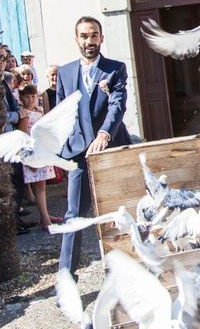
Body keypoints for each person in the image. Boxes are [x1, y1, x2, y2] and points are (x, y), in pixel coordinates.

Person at [58, 16, 131, 276]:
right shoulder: (65, 73)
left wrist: (103, 135)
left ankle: (124, 270)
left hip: (110, 149)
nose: (89, 41)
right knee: (73, 215)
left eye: (94, 35)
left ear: (101, 37)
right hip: (78, 154)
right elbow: (62, 114)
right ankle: (66, 277)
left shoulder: (115, 68)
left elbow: (117, 105)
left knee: (117, 211)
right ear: (77, 39)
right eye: (84, 36)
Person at [0, 48, 33, 235]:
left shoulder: (5, 80)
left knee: (17, 179)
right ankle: (10, 224)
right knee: (8, 183)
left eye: (4, 59)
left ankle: (16, 218)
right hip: (3, 141)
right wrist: (17, 114)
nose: (2, 62)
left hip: (13, 138)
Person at [17, 84, 62, 232]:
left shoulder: (39, 111)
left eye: (33, 96)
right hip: (33, 153)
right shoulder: (24, 114)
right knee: (38, 187)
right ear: (21, 98)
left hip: (43, 151)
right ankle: (45, 219)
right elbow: (22, 138)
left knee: (42, 187)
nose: (30, 99)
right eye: (27, 96)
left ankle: (46, 215)